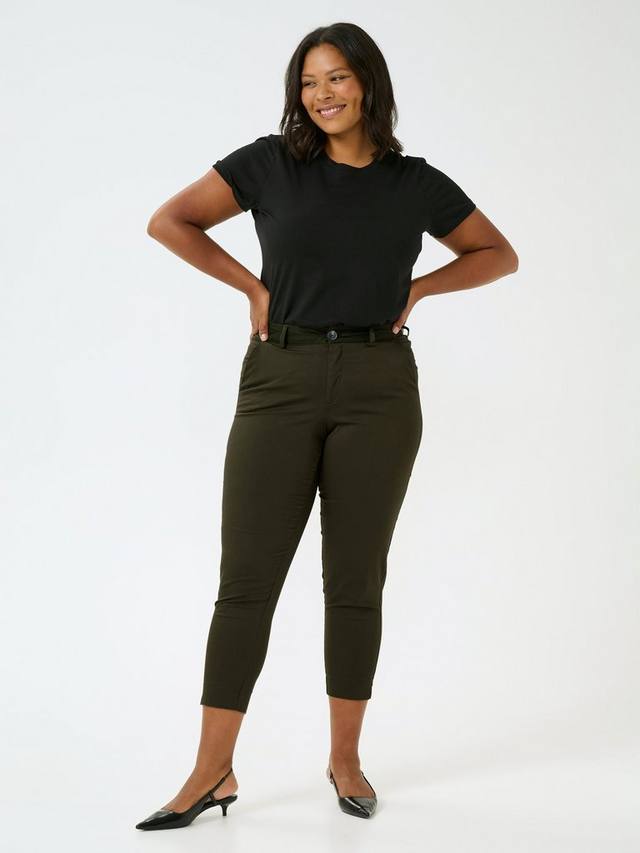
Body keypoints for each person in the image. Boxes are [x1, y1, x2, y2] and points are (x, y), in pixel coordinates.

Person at [136, 22, 518, 830]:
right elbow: (171, 221)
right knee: (246, 581)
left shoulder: (414, 182)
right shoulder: (270, 163)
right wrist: (251, 287)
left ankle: (345, 760)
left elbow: (497, 253)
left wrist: (419, 288)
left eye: (338, 77)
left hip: (380, 387)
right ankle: (211, 770)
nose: (322, 94)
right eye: (309, 82)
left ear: (369, 83)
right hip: (280, 376)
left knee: (354, 580)